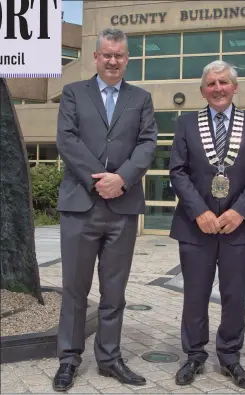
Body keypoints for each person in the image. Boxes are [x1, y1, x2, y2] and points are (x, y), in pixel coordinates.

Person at [52, 28, 158, 391]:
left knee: (115, 290)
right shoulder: (72, 93)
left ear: (127, 59)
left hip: (122, 207)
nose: (113, 61)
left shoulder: (141, 98)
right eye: (107, 55)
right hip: (81, 205)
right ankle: (68, 358)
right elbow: (66, 139)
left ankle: (109, 358)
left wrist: (122, 179)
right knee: (75, 288)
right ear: (95, 57)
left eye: (120, 55)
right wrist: (99, 178)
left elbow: (147, 144)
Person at [169, 60, 245, 390]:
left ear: (234, 87)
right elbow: (178, 171)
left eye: (223, 82)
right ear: (203, 90)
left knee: (235, 295)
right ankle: (194, 356)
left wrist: (239, 211)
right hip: (195, 225)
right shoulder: (187, 123)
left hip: (239, 227)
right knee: (195, 295)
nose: (218, 88)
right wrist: (199, 211)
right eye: (211, 83)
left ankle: (230, 356)